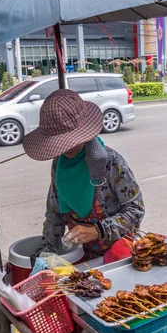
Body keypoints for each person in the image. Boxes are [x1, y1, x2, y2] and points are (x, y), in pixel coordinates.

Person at [23, 89, 145, 261]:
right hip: (82, 256)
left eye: (68, 140)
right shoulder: (59, 163)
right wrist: (46, 251)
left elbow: (135, 210)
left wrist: (97, 231)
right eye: (59, 143)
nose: (65, 148)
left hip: (118, 254)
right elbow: (55, 213)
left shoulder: (111, 162)